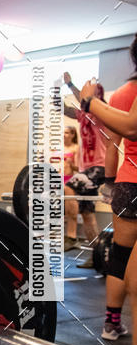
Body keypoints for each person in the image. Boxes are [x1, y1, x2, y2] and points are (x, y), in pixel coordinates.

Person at [81, 56, 137, 345]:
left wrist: (111, 182)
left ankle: (112, 323)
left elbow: (116, 142)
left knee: (121, 255)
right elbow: (126, 130)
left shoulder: (121, 94)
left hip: (128, 184)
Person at [63, 72, 107, 255]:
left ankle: (71, 237)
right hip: (87, 169)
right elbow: (65, 110)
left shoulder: (103, 111)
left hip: (99, 167)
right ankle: (97, 255)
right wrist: (55, 95)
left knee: (69, 188)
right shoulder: (82, 115)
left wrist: (70, 84)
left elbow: (86, 99)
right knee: (88, 215)